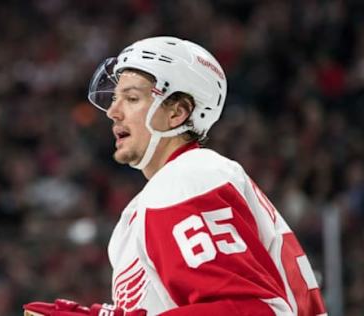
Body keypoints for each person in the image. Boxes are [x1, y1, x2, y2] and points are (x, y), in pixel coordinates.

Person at [23, 36, 327, 316]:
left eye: (130, 98)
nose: (112, 111)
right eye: (115, 98)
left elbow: (254, 310)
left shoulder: (188, 178)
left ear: (177, 112)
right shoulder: (165, 192)